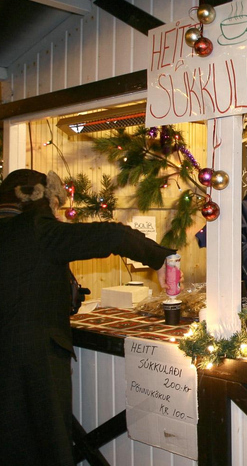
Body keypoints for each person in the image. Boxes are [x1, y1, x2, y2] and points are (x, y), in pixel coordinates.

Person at [0, 169, 176, 466]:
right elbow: (114, 235)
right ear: (42, 200)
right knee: (44, 444)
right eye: (55, 205)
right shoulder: (35, 228)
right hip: (33, 364)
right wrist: (160, 257)